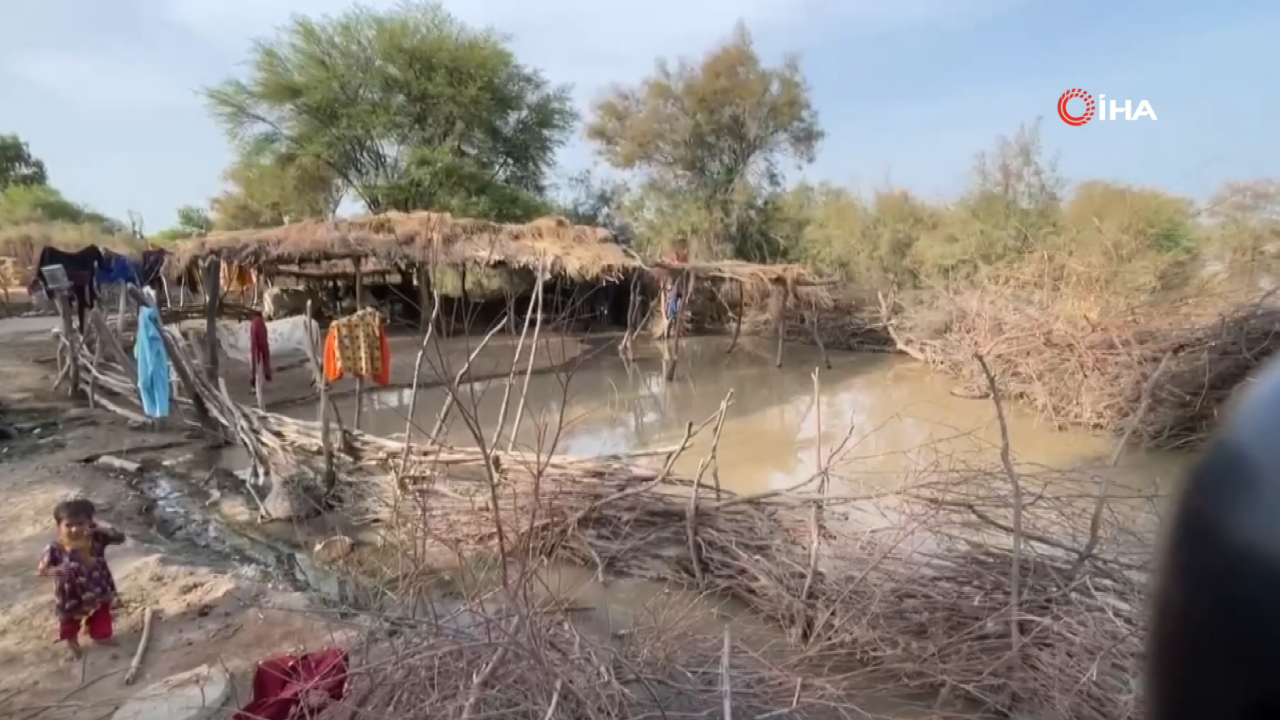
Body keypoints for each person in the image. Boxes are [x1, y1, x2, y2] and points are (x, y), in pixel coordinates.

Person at [37, 498, 125, 659]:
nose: (75, 529)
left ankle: (100, 636)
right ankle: (72, 642)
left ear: (90, 523)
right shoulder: (55, 548)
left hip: (99, 588)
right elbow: (43, 570)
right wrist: (55, 571)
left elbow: (120, 538)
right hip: (70, 595)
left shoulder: (97, 539)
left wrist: (101, 529)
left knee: (102, 614)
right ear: (59, 526)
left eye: (80, 523)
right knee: (69, 621)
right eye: (68, 525)